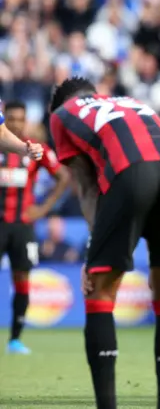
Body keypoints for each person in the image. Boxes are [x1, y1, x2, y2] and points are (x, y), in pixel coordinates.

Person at [48, 77, 160, 409]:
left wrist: (93, 252)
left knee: (100, 292)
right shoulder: (130, 101)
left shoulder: (61, 115)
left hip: (130, 173)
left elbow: (85, 188)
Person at [1, 101, 69, 354]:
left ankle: (15, 340)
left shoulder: (35, 150)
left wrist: (43, 209)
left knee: (22, 279)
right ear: (4, 119)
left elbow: (63, 176)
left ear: (26, 120)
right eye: (11, 118)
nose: (16, 123)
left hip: (22, 225)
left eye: (21, 119)